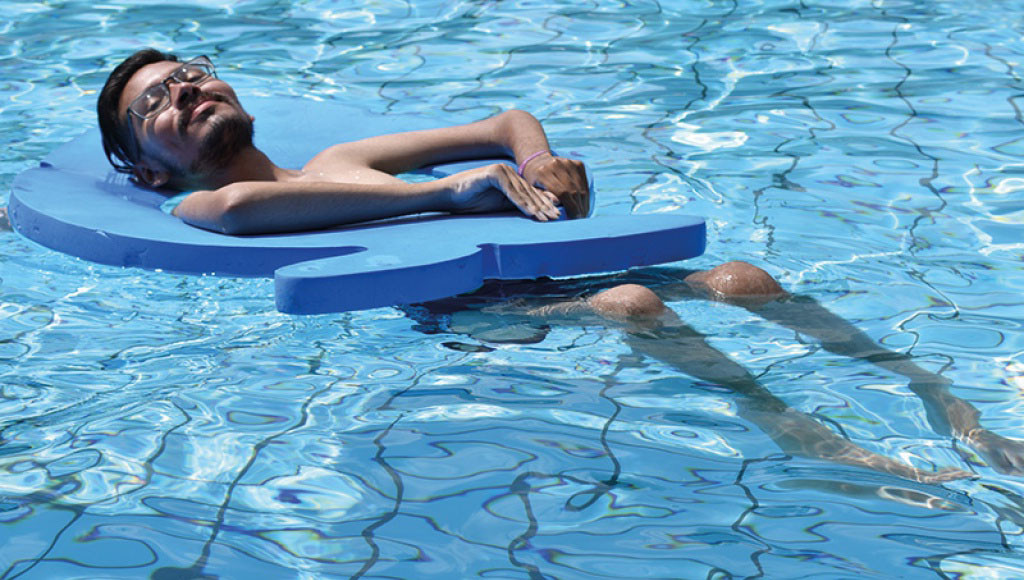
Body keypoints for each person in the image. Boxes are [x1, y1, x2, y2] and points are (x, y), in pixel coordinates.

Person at [97, 49, 1024, 483]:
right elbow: (239, 212)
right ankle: (807, 440)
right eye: (158, 106)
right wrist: (447, 196)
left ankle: (958, 414)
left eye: (191, 74)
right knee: (626, 301)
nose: (186, 90)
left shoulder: (347, 160)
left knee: (748, 278)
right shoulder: (198, 203)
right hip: (457, 314)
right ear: (148, 167)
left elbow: (505, 122)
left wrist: (540, 165)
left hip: (530, 277)